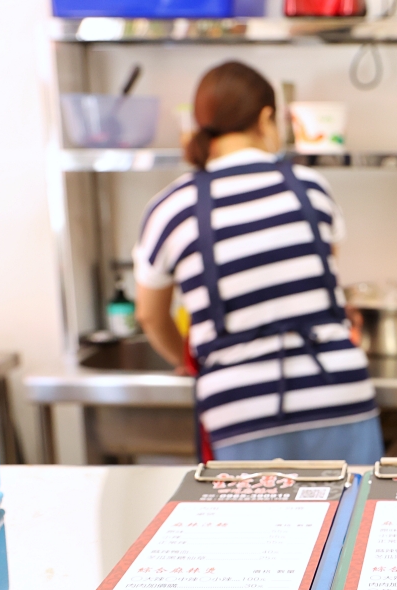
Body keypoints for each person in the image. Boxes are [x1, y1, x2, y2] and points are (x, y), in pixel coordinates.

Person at [133, 61, 383, 463]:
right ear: (266, 118)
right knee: (350, 522)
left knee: (258, 528)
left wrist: (188, 360)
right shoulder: (310, 188)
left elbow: (149, 316)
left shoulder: (170, 209)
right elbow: (323, 280)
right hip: (338, 391)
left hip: (240, 407)